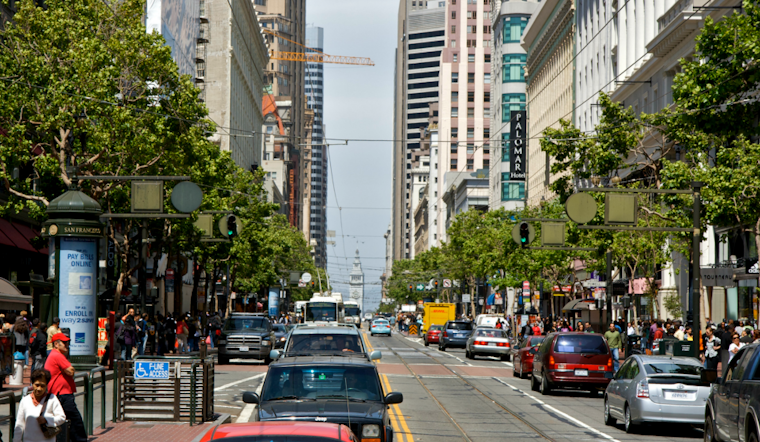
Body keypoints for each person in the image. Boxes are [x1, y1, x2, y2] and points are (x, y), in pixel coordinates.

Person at [44, 333, 86, 442]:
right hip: (62, 394)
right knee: (75, 420)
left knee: (66, 420)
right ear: (56, 344)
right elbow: (71, 370)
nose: (67, 345)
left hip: (60, 393)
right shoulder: (57, 355)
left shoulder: (55, 355)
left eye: (67, 342)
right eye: (64, 342)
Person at [13, 369, 66, 442]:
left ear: (46, 385)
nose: (39, 389)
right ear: (32, 383)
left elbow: (62, 418)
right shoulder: (25, 401)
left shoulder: (52, 399)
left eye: (42, 386)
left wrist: (46, 420)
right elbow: (19, 424)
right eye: (37, 385)